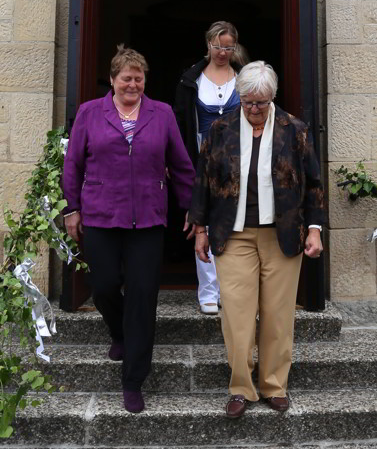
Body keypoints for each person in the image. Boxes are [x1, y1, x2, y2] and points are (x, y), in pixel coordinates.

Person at [63, 46, 195, 414]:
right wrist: (71, 209)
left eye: (139, 78)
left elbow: (181, 165)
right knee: (102, 285)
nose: (133, 84)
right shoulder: (90, 112)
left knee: (142, 296)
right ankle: (119, 332)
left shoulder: (162, 113)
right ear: (113, 79)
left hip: (148, 220)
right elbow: (73, 164)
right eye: (126, 78)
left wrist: (192, 209)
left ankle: (133, 380)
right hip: (100, 215)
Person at [188, 61, 324, 417]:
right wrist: (200, 229)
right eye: (247, 101)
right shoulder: (220, 129)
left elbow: (313, 184)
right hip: (233, 236)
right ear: (240, 97)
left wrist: (315, 228)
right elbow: (203, 181)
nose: (253, 109)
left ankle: (274, 385)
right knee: (237, 315)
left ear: (272, 98)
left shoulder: (294, 129)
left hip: (282, 235)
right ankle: (241, 388)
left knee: (278, 316)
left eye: (260, 102)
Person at [174, 21, 244, 314]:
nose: (222, 52)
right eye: (218, 46)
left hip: (238, 158)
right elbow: (179, 122)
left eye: (228, 47)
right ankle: (208, 291)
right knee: (202, 220)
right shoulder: (191, 79)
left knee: (236, 223)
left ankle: (232, 289)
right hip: (200, 158)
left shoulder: (243, 78)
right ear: (208, 45)